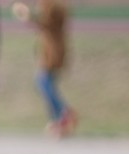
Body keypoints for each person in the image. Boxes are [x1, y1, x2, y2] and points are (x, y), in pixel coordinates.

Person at [13, 0, 77, 137]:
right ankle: (58, 120)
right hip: (51, 50)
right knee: (46, 84)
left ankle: (62, 114)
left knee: (43, 83)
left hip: (51, 52)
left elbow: (45, 23)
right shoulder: (54, 4)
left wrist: (26, 15)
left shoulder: (52, 4)